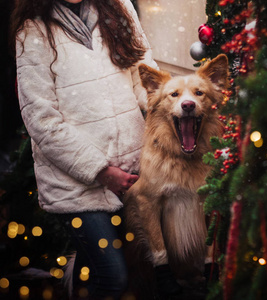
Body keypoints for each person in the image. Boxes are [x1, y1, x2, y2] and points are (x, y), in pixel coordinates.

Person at [9, 0, 158, 298]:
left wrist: (173, 109)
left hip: (129, 173)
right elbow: (41, 120)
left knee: (96, 268)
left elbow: (143, 76)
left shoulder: (119, 8)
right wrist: (101, 171)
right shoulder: (33, 28)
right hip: (75, 185)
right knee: (113, 276)